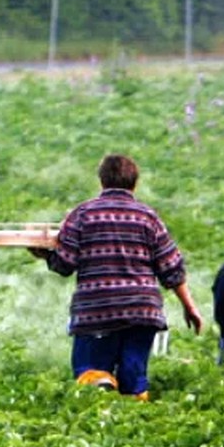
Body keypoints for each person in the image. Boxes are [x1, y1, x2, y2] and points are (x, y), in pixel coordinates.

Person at [33, 153, 203, 399]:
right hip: (142, 311)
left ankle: (99, 382)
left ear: (101, 181)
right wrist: (190, 307)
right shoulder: (148, 216)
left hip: (98, 311)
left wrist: (44, 255)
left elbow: (65, 264)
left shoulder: (82, 214)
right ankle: (135, 407)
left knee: (90, 370)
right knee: (133, 377)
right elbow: (172, 268)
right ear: (135, 183)